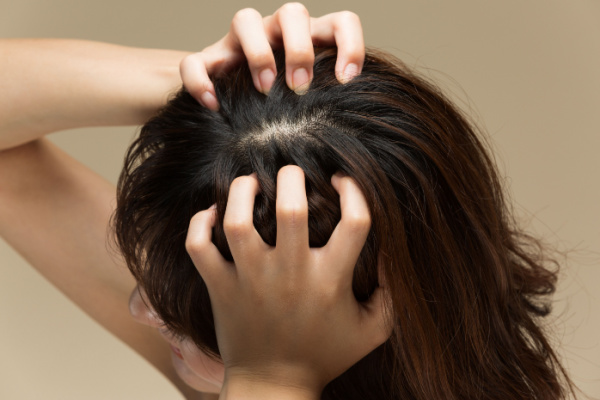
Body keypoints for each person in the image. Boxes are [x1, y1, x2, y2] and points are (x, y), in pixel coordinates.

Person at [0, 3, 575, 400]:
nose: (140, 311)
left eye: (180, 313)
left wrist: (272, 376)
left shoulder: (249, 370)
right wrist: (205, 83)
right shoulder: (231, 361)